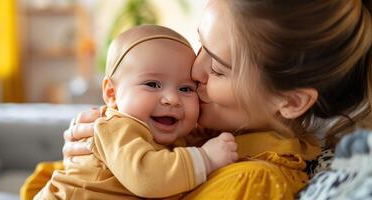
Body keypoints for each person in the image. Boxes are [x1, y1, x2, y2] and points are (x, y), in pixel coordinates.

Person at [22, 0, 372, 199]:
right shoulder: (212, 134)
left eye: (218, 69)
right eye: (200, 43)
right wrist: (94, 151)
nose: (194, 69)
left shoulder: (248, 184)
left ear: (293, 102)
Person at [32, 25, 238, 200]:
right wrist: (205, 158)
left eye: (185, 89)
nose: (172, 99)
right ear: (112, 93)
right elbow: (147, 177)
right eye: (152, 84)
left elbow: (187, 144)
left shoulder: (172, 135)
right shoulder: (115, 127)